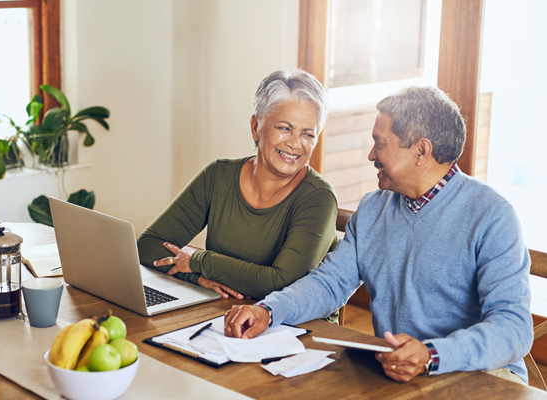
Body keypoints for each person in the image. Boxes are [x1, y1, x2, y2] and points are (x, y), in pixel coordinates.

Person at [223, 86, 533, 384]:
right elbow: (329, 283)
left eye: (380, 142)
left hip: (480, 377)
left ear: (421, 150)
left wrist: (431, 356)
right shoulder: (373, 208)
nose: (371, 154)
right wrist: (269, 310)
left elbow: (514, 329)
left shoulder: (492, 215)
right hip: (398, 372)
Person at [137, 70, 338, 302]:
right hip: (222, 311)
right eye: (284, 128)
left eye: (308, 134)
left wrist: (198, 260)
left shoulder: (319, 198)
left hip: (295, 326)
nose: (295, 143)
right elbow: (147, 246)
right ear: (256, 126)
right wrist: (197, 278)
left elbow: (281, 283)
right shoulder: (218, 175)